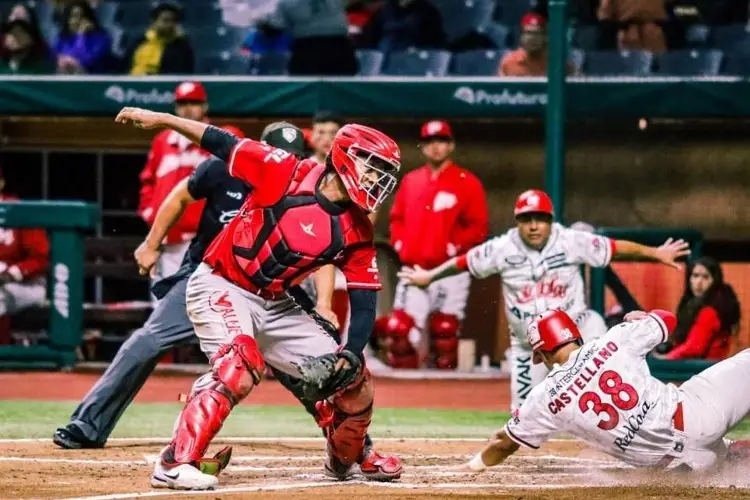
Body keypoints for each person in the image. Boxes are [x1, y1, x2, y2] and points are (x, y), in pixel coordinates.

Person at [115, 106, 403, 489]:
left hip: (277, 300)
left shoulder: (359, 229)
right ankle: (174, 461)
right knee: (239, 364)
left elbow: (364, 299)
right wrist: (165, 120)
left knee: (356, 380)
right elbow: (220, 141)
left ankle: (347, 456)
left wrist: (349, 355)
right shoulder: (284, 169)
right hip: (221, 283)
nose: (377, 180)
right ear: (345, 159)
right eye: (372, 167)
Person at [52, 122, 370, 451]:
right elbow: (179, 197)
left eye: (295, 157)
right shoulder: (222, 170)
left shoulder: (305, 188)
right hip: (211, 277)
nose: (288, 162)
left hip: (271, 289)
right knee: (147, 342)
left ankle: (352, 445)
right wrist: (151, 243)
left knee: (308, 366)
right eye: (282, 155)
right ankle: (88, 425)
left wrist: (325, 304)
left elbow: (324, 253)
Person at [398, 189, 690, 409]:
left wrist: (656, 253)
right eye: (527, 219)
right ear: (517, 222)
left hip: (577, 332)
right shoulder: (502, 247)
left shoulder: (570, 240)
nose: (534, 225)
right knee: (524, 413)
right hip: (529, 346)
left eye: (540, 218)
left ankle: (633, 407)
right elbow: (464, 262)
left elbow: (615, 248)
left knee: (596, 329)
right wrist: (429, 276)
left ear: (550, 221)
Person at [449, 308, 750, 473]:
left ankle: (728, 455)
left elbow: (504, 443)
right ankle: (730, 451)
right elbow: (667, 320)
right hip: (699, 416)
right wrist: (640, 316)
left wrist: (472, 466)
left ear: (542, 354)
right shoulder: (613, 340)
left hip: (685, 468)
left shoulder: (543, 399)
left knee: (717, 462)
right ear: (574, 334)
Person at [375, 120, 488, 369]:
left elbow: (478, 227)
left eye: (441, 141)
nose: (435, 147)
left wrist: (453, 247)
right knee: (400, 331)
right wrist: (401, 244)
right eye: (429, 142)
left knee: (445, 333)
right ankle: (409, 402)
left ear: (451, 145)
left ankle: (446, 398)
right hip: (414, 268)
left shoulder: (467, 182)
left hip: (450, 270)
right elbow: (397, 219)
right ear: (423, 147)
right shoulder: (412, 180)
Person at [137, 81, 215, 288]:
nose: (188, 108)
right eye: (183, 103)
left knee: (200, 301)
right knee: (164, 299)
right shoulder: (162, 141)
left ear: (205, 106)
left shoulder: (216, 140)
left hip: (205, 239)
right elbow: (148, 180)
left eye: (194, 102)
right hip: (167, 238)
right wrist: (149, 212)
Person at [655, 257, 740, 361]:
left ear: (715, 281)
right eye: (695, 276)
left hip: (701, 369)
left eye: (705, 277)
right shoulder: (696, 306)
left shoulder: (710, 311)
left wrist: (665, 359)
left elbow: (693, 348)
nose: (699, 282)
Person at [0, 167, 49, 344]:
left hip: (27, 286)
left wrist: (11, 273)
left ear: (1, 183)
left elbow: (40, 258)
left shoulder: (19, 210)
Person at [257, 0, 358, 75]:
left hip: (307, 51)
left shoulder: (286, 2)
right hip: (339, 50)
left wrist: (260, 23)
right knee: (343, 90)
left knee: (305, 92)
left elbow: (276, 27)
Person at [498, 13, 576, 77]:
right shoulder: (509, 62)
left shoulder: (558, 63)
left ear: (545, 37)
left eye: (537, 34)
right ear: (521, 36)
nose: (532, 38)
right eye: (528, 33)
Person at [128, 0, 194, 76]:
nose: (170, 25)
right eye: (165, 20)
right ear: (153, 21)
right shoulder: (139, 42)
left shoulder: (181, 46)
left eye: (174, 21)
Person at [54, 1, 112, 74]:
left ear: (88, 19)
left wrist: (81, 36)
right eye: (73, 16)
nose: (76, 21)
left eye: (81, 16)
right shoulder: (62, 38)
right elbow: (59, 60)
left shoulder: (102, 39)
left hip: (92, 80)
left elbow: (87, 62)